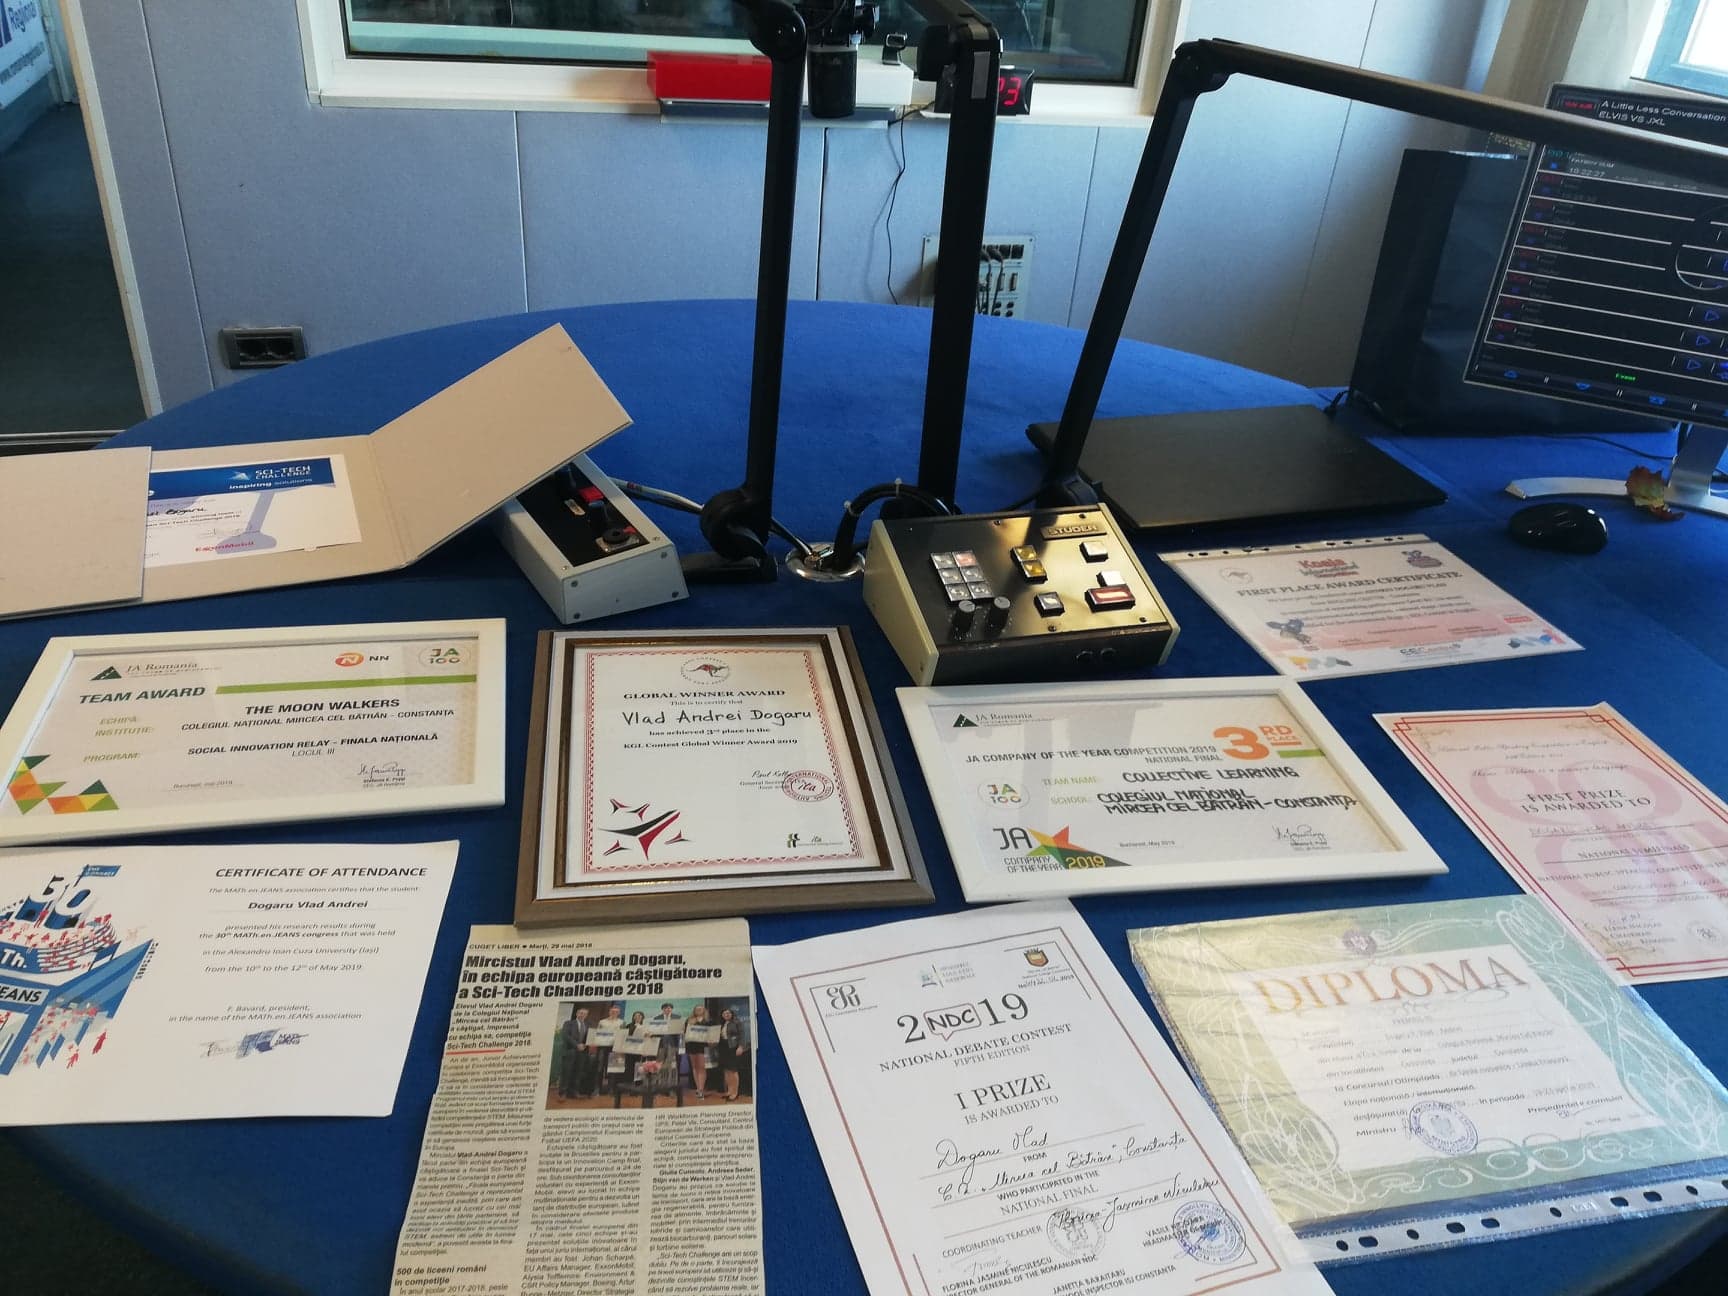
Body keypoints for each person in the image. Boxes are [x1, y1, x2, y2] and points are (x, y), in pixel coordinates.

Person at [648, 1001, 683, 1093]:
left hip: (673, 1045)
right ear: (662, 1009)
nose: (667, 1009)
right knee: (660, 1065)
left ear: (672, 1009)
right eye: (665, 1008)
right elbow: (653, 1031)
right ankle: (660, 1086)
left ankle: (672, 1087)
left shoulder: (677, 1018)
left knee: (672, 1066)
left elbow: (680, 1032)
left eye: (669, 1008)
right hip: (660, 1045)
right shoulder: (656, 1018)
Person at [558, 1007, 592, 1099]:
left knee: (578, 1073)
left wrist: (585, 1045)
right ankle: (562, 1093)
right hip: (570, 1051)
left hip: (582, 1053)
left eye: (585, 1014)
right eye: (581, 1013)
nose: (582, 1015)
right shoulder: (568, 1023)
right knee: (566, 1073)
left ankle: (574, 1092)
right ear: (577, 1013)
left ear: (586, 1015)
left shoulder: (588, 1025)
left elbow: (589, 1037)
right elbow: (565, 1036)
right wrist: (577, 1045)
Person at [594, 1003, 625, 1094]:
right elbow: (597, 1033)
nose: (614, 1013)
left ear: (618, 1013)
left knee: (613, 1069)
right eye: (612, 1011)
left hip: (614, 1048)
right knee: (600, 1068)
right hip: (602, 1047)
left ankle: (611, 1089)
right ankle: (597, 1089)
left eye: (616, 1012)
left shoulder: (622, 1022)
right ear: (609, 1012)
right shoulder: (602, 1022)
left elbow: (623, 1035)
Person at [717, 1006, 745, 1102]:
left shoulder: (737, 1022)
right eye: (724, 1013)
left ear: (731, 1014)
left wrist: (741, 1046)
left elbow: (742, 1035)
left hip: (733, 1047)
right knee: (726, 1071)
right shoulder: (722, 1024)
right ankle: (729, 1091)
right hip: (723, 1047)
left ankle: (735, 1093)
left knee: (733, 1071)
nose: (726, 1014)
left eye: (728, 1013)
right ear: (722, 1015)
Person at [684, 1004, 711, 1100]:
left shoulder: (708, 1021)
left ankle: (701, 1090)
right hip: (691, 1045)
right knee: (695, 1067)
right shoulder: (689, 1020)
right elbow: (685, 1032)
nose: (699, 1010)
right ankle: (698, 1088)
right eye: (697, 1009)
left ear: (704, 1010)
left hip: (702, 1046)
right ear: (694, 1010)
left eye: (701, 1009)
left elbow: (712, 1033)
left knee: (702, 1067)